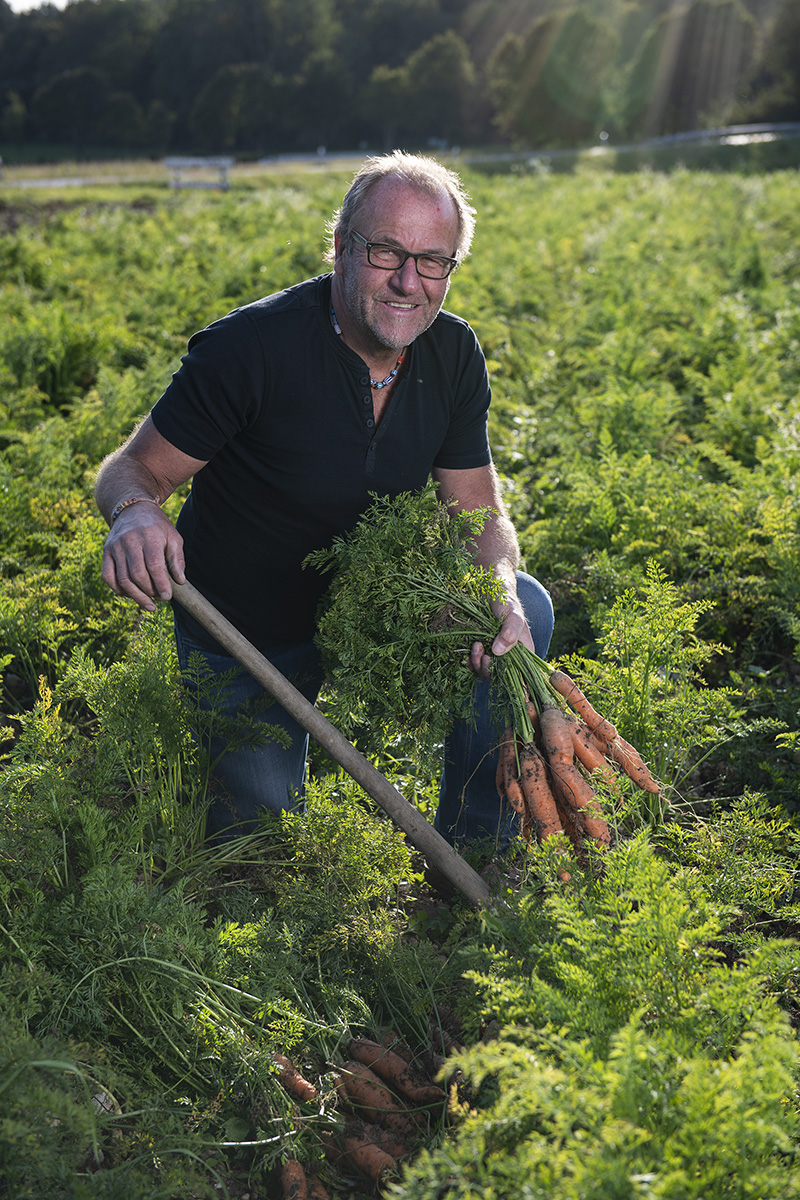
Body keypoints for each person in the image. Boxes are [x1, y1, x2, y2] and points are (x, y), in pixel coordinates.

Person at [95, 150, 554, 851]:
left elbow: (478, 516)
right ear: (340, 247)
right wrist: (136, 514)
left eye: (433, 261)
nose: (408, 282)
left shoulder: (452, 352)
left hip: (376, 609)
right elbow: (132, 471)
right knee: (263, 847)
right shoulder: (249, 349)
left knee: (526, 605)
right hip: (247, 636)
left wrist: (497, 590)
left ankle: (477, 849)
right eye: (385, 252)